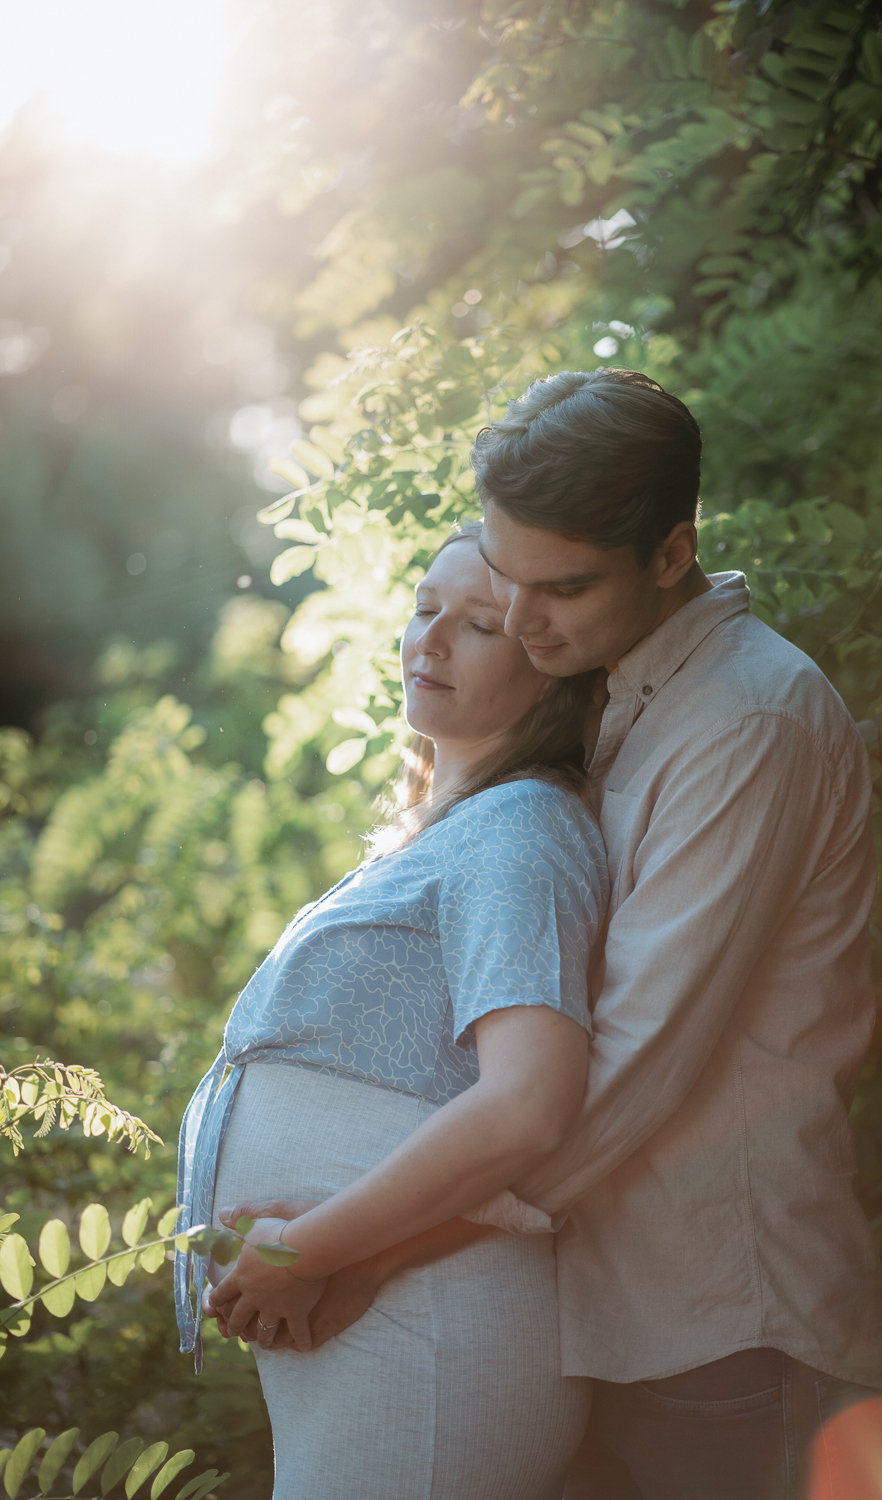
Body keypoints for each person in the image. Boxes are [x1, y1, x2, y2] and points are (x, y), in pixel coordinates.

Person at [227, 369, 882, 1500]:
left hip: (719, 1319)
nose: (525, 625)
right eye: (508, 583)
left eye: (562, 590)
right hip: (598, 1308)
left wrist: (358, 1246)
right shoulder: (624, 697)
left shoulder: (744, 721)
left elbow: (634, 1066)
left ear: (670, 555)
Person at [176, 525, 608, 1500]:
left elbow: (529, 1105)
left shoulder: (519, 829)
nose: (430, 641)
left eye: (478, 625)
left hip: (432, 1328)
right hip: (387, 1322)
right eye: (423, 611)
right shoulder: (457, 831)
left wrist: (305, 1246)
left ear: (550, 667)